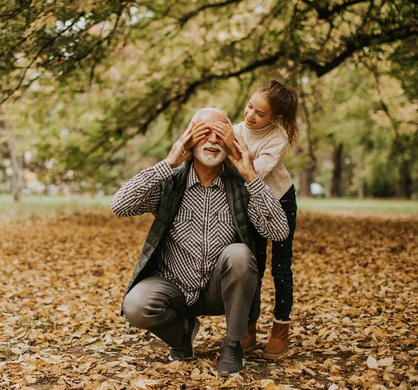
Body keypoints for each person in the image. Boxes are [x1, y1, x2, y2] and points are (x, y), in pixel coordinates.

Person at [111, 108, 289, 375]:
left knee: (239, 254)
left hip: (220, 292)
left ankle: (233, 344)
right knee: (136, 305)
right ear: (189, 139)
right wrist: (168, 162)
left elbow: (278, 231)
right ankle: (183, 334)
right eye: (204, 132)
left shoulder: (241, 186)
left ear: (231, 143)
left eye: (221, 134)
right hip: (174, 287)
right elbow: (120, 205)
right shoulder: (169, 183)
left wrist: (251, 176)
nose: (212, 140)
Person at [231, 80, 299, 360]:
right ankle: (249, 324)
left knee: (280, 267)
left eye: (260, 113)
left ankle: (280, 328)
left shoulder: (277, 139)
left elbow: (254, 172)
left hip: (280, 199)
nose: (251, 115)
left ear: (275, 118)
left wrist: (241, 156)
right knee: (253, 267)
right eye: (250, 106)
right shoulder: (235, 130)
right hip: (251, 204)